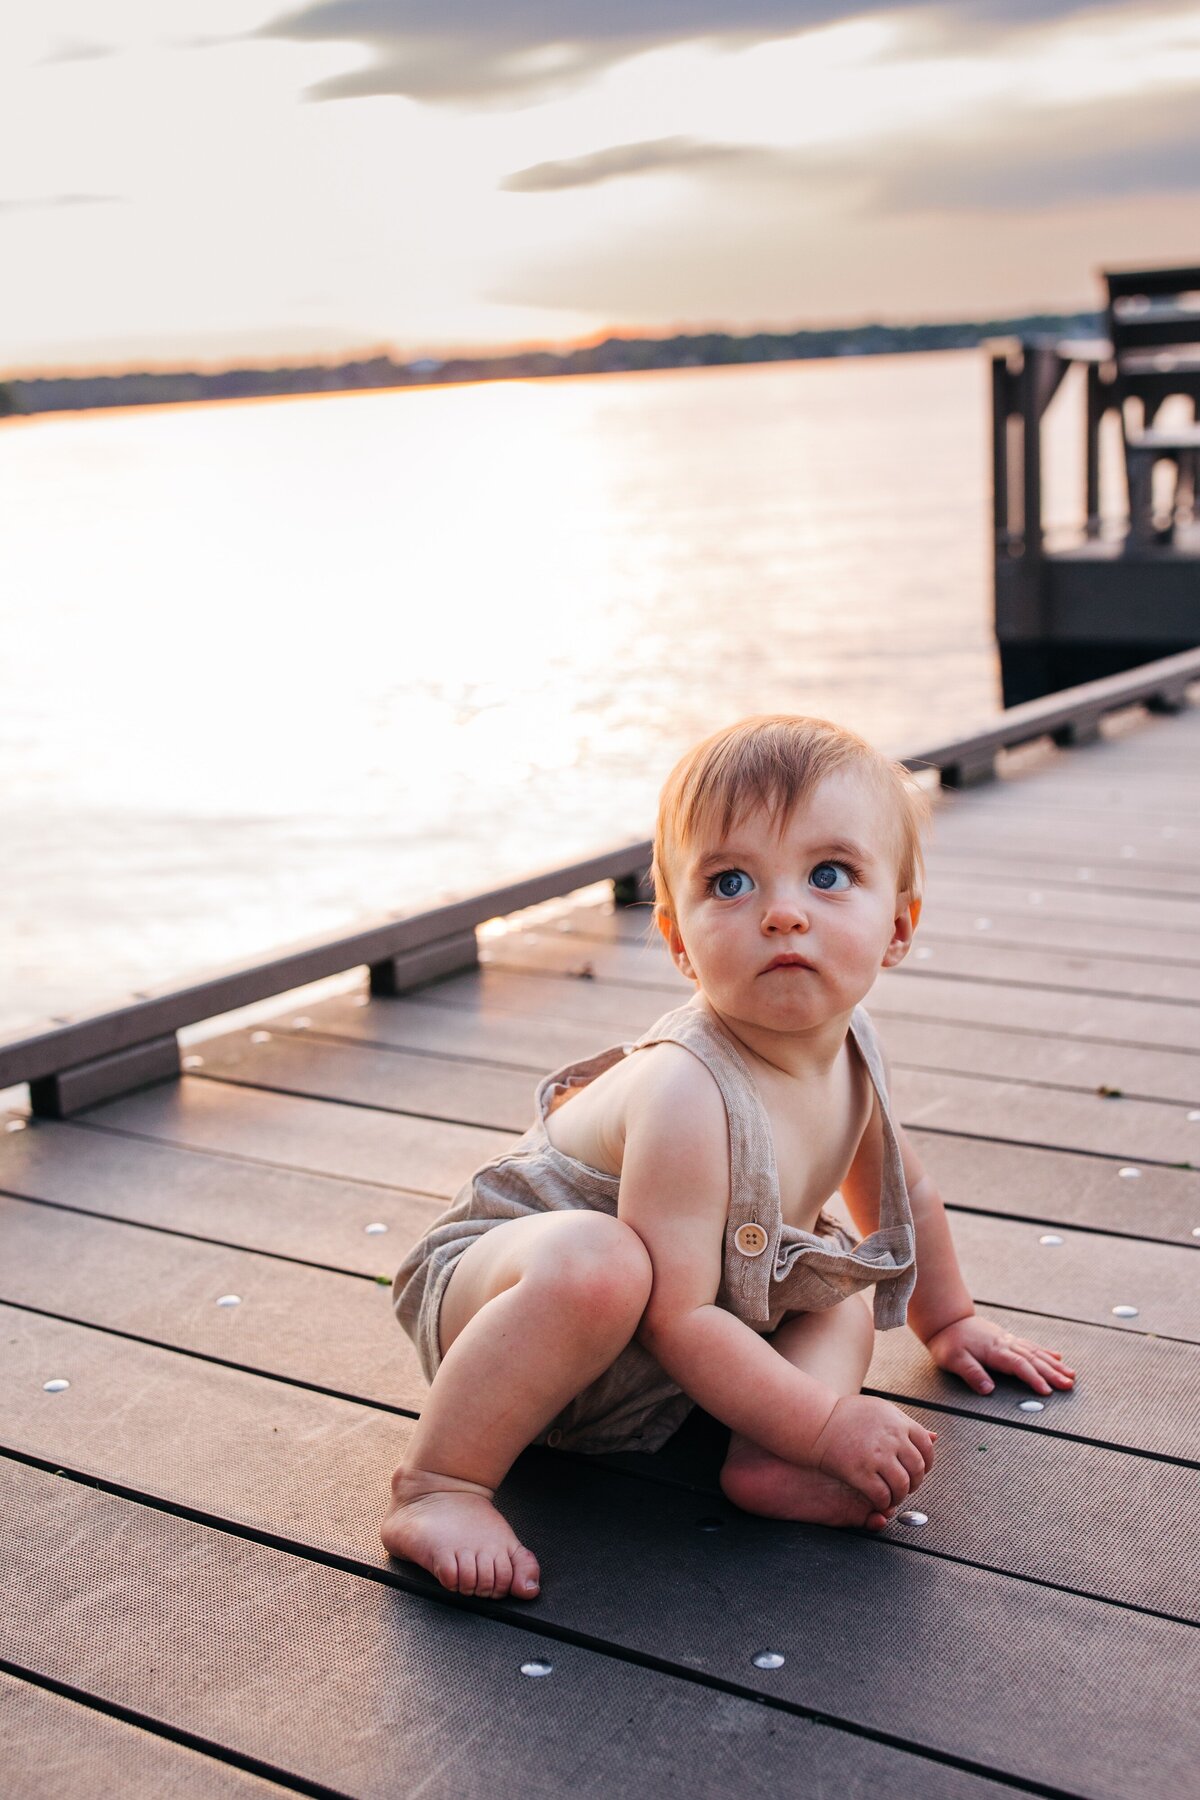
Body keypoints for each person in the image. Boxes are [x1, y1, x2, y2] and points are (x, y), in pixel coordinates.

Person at [382, 715, 1076, 1601]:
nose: (782, 912)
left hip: (666, 1361)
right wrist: (830, 1424)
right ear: (679, 942)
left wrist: (950, 1323)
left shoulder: (854, 1049)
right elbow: (678, 1318)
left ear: (897, 927)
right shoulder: (686, 1089)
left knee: (836, 1287)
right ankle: (440, 1484)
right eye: (731, 881)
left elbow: (903, 1193)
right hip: (514, 1316)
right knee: (604, 1262)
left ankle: (768, 1460)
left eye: (830, 875)